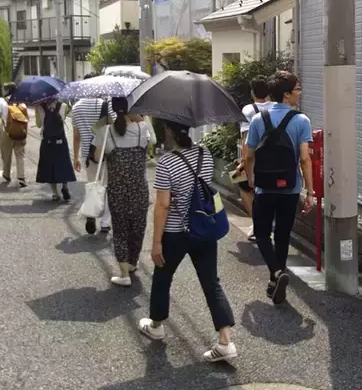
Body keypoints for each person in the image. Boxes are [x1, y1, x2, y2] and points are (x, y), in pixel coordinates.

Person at [138, 121, 237, 362]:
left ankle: (156, 325)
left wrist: (156, 242)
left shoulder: (167, 162)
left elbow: (163, 205)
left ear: (168, 131)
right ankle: (225, 340)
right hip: (203, 227)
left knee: (162, 276)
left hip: (175, 232)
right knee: (211, 282)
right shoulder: (205, 154)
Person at [245, 71, 314, 305]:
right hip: (290, 188)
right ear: (286, 94)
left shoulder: (258, 119)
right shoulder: (301, 121)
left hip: (264, 188)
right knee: (283, 235)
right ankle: (277, 277)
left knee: (262, 233)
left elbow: (249, 155)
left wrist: (251, 178)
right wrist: (310, 191)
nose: (299, 93)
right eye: (297, 89)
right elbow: (304, 159)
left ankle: (275, 274)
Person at [92, 97, 155, 287]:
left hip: (117, 190)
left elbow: (97, 158)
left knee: (120, 230)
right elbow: (153, 141)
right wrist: (141, 117)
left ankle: (124, 273)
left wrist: (101, 127)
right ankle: (132, 263)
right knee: (138, 228)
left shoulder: (106, 131)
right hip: (139, 189)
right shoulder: (142, 128)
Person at [71, 73, 116, 234]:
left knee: (92, 185)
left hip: (87, 154)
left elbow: (76, 136)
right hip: (106, 152)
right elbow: (113, 128)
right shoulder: (107, 105)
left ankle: (91, 213)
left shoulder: (76, 107)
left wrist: (75, 157)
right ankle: (105, 223)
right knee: (107, 186)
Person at [236, 75, 275, 242]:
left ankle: (258, 223)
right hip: (275, 157)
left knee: (245, 189)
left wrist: (245, 163)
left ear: (252, 92)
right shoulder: (277, 107)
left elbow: (246, 141)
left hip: (256, 158)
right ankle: (268, 223)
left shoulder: (248, 110)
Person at [35, 99, 76, 200]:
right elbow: (64, 119)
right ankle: (65, 186)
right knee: (63, 164)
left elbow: (39, 125)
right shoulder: (63, 105)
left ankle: (55, 193)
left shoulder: (40, 107)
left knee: (49, 165)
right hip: (60, 140)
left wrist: (37, 111)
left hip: (47, 141)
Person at [0, 82, 28, 187]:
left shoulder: (1, 101)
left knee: (6, 155)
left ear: (7, 90)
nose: (2, 91)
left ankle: (6, 174)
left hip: (6, 132)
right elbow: (26, 118)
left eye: (3, 89)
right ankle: (21, 177)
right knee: (20, 155)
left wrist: (0, 120)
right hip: (20, 132)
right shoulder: (21, 102)